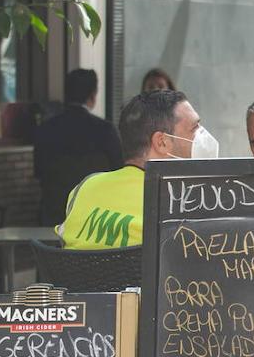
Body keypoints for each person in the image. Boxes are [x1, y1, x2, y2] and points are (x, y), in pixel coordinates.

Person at [59, 90, 212, 249]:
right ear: (162, 142)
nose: (202, 134)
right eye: (194, 128)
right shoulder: (183, 203)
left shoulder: (83, 189)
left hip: (81, 274)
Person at [33, 69, 122, 227]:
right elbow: (119, 170)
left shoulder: (46, 129)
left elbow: (39, 172)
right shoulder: (105, 130)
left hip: (54, 212)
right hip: (97, 214)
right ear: (93, 95)